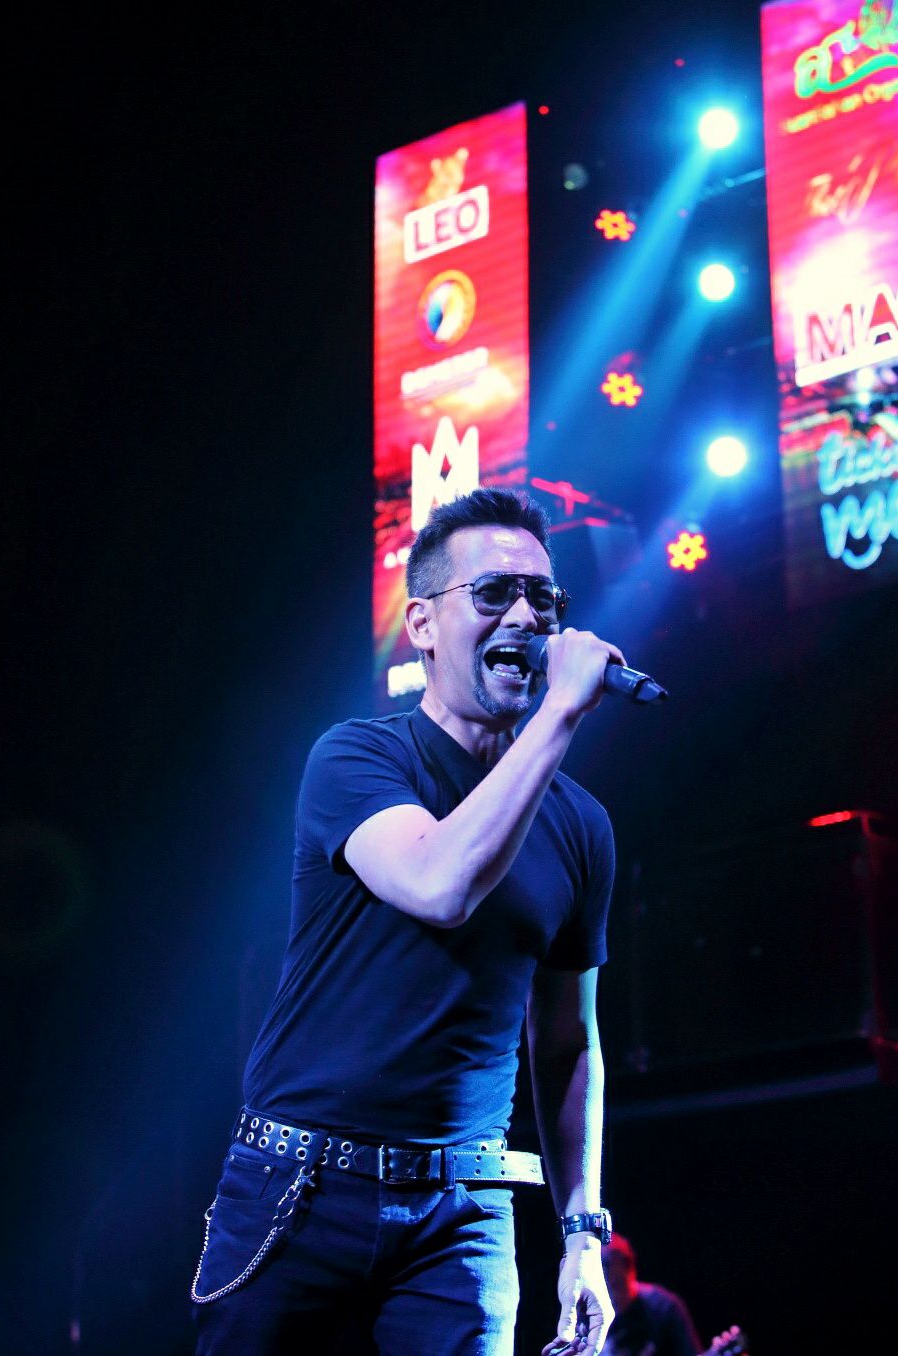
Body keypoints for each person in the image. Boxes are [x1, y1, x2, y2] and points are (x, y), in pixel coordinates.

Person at [191, 486, 626, 1355]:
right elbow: (439, 882)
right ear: (423, 625)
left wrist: (584, 1235)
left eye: (543, 598)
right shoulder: (357, 757)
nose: (526, 617)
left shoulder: (580, 825)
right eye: (493, 593)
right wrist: (561, 714)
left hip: (464, 1213)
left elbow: (568, 1043)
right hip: (300, 1189)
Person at [599, 1233, 702, 1356]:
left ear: (627, 1264)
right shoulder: (588, 1315)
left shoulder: (664, 1307)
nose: (601, 1274)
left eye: (605, 1264)